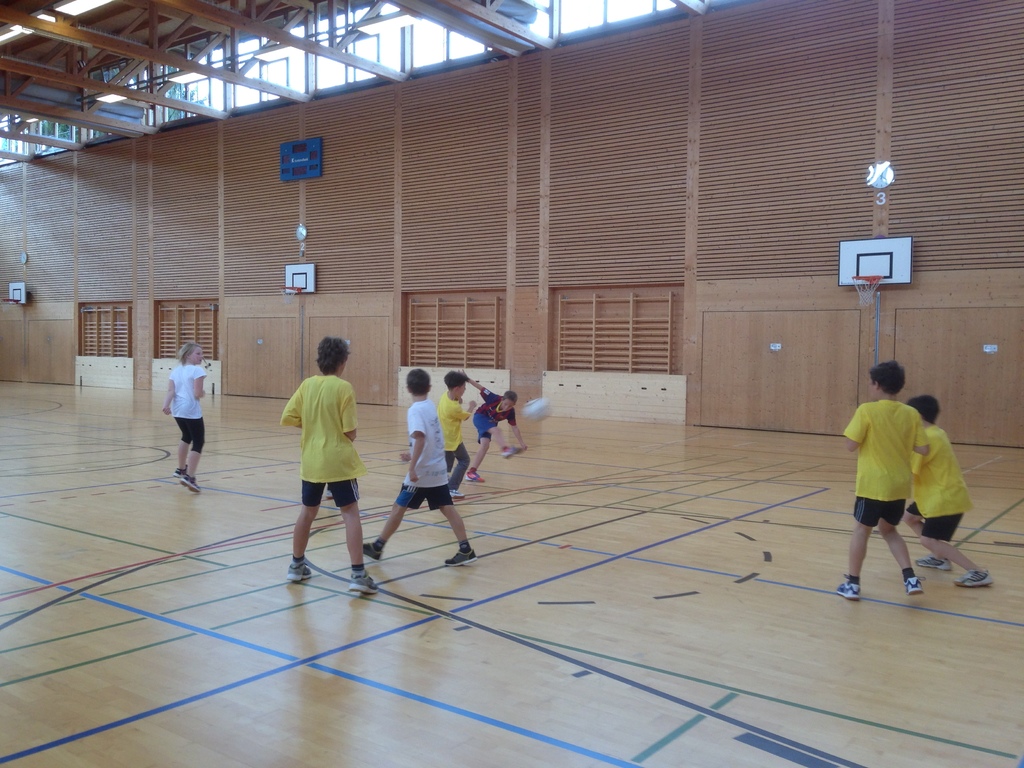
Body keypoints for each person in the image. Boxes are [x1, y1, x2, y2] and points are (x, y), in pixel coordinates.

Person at [280, 336, 377, 595]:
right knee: (350, 513)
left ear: (320, 360)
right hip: (337, 460)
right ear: (343, 361)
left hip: (311, 460)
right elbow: (351, 432)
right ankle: (358, 574)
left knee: (307, 512)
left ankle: (296, 565)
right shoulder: (343, 388)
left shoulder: (307, 385)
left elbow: (288, 417)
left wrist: (312, 427)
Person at [363, 369, 478, 566]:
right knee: (447, 508)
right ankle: (465, 548)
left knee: (398, 507)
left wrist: (412, 466)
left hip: (422, 473)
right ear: (429, 387)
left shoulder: (415, 410)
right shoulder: (430, 405)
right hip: (438, 469)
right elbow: (430, 437)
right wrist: (412, 453)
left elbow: (420, 438)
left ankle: (378, 546)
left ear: (408, 388)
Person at [837, 360, 929, 600]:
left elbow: (850, 445)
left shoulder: (867, 410)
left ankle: (853, 585)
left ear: (877, 385)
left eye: (870, 382)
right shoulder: (911, 413)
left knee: (861, 530)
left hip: (872, 485)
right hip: (898, 486)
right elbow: (923, 448)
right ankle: (910, 578)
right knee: (889, 531)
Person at [902, 395, 993, 587]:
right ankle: (940, 557)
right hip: (934, 494)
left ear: (917, 416)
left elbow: (909, 467)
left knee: (928, 539)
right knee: (910, 518)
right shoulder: (936, 432)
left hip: (944, 498)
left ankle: (978, 572)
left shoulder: (927, 438)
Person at [463, 376, 527, 483]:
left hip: (490, 423)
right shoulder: (493, 398)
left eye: (510, 406)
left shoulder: (510, 412)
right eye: (505, 404)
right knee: (497, 431)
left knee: (485, 445)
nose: (506, 407)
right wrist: (467, 378)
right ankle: (505, 449)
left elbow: (514, 427)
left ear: (514, 405)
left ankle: (471, 473)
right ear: (502, 399)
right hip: (480, 417)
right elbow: (480, 387)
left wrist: (522, 443)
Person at [161, 341, 206, 492]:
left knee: (186, 436)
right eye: (198, 353)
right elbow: (198, 393)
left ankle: (181, 469)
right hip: (191, 410)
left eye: (201, 353)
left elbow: (170, 391)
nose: (201, 356)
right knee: (198, 442)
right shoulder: (197, 371)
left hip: (178, 410)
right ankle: (190, 477)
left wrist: (166, 405)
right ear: (188, 355)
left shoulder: (175, 371)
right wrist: (203, 393)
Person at [439, 370, 476, 499]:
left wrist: (458, 398)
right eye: (464, 388)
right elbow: (465, 417)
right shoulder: (453, 408)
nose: (465, 390)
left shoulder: (445, 395)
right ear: (457, 388)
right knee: (464, 460)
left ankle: (440, 486)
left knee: (447, 466)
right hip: (452, 439)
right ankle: (452, 488)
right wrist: (471, 406)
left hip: (443, 437)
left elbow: (456, 400)